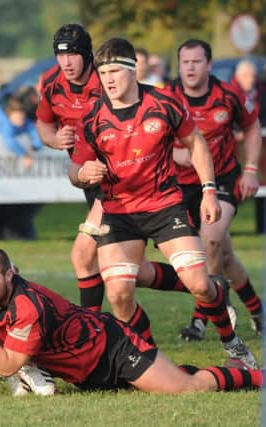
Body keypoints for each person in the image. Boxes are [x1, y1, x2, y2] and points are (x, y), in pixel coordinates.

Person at [68, 37, 257, 369]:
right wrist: (83, 173)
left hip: (164, 205)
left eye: (115, 71)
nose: (108, 79)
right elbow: (74, 170)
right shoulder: (92, 117)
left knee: (201, 284)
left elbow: (196, 144)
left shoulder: (164, 102)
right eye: (103, 72)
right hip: (120, 211)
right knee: (119, 296)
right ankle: (152, 359)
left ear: (133, 70)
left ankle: (233, 343)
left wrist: (209, 190)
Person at [0, 247, 263, 393]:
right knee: (161, 384)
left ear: (10, 273)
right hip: (86, 371)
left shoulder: (27, 306)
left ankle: (256, 377)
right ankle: (231, 371)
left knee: (185, 389)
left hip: (111, 348)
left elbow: (7, 362)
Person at [36, 24, 188, 336]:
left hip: (119, 183)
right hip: (89, 179)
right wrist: (54, 140)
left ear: (88, 55)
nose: (66, 63)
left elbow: (137, 122)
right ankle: (207, 288)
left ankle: (90, 331)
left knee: (83, 254)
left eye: (73, 55)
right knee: (132, 272)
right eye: (60, 56)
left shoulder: (107, 79)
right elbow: (43, 122)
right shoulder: (52, 84)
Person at [170, 39, 263, 340]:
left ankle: (206, 314)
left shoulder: (229, 95)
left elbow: (251, 128)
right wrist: (174, 154)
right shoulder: (167, 96)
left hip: (223, 180)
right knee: (222, 255)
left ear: (209, 65)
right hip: (183, 185)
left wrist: (250, 169)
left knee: (210, 241)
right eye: (185, 62)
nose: (191, 68)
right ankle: (258, 310)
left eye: (197, 62)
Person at [0, 94, 43, 239]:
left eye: (22, 117)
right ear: (10, 116)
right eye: (17, 118)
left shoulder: (25, 122)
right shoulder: (5, 124)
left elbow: (36, 133)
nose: (20, 121)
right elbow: (9, 141)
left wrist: (34, 147)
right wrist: (25, 155)